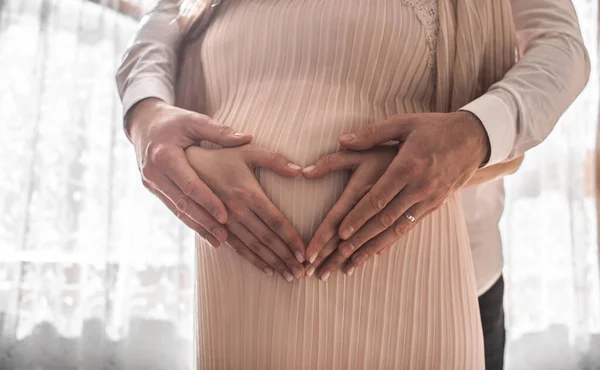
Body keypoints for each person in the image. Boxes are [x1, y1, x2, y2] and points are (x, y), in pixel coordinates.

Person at [116, 0, 589, 368]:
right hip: (245, 296)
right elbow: (166, 18)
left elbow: (562, 49)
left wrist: (474, 132)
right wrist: (147, 115)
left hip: (446, 284)